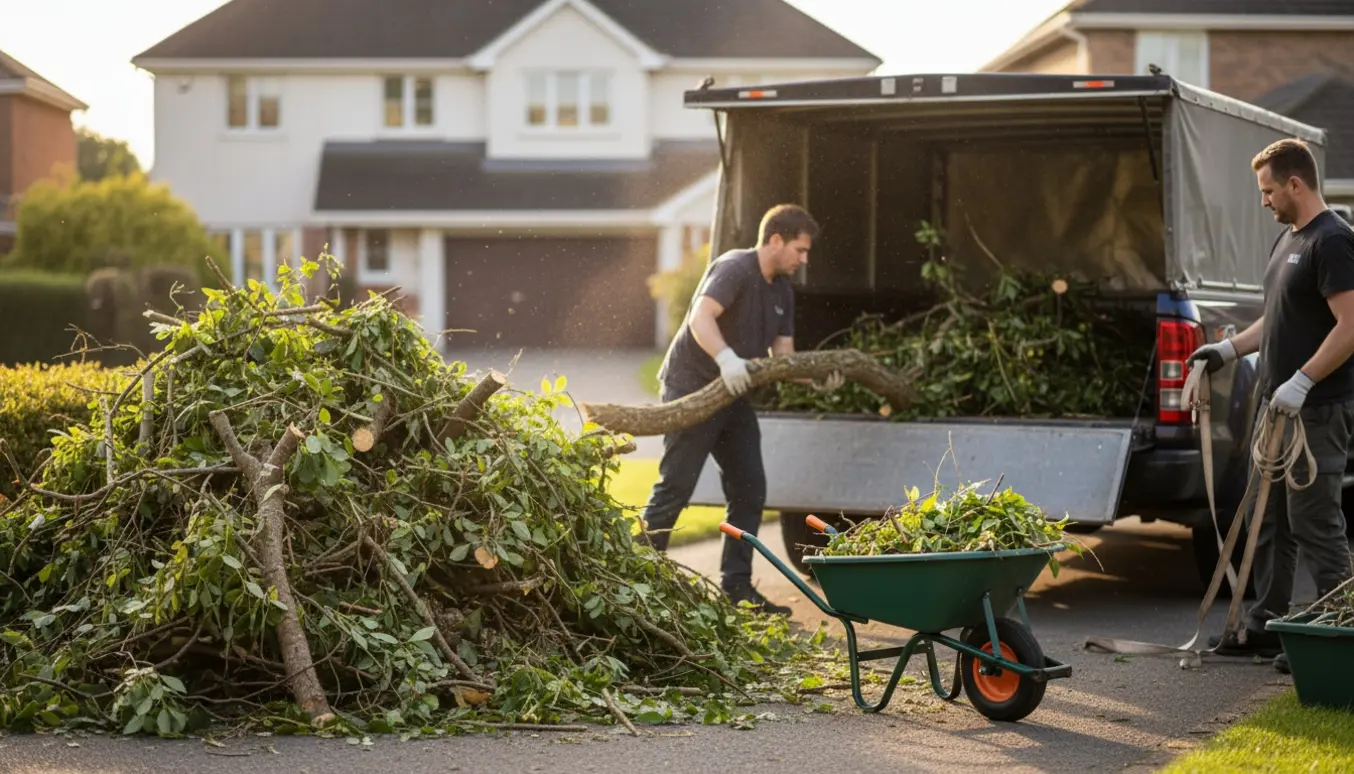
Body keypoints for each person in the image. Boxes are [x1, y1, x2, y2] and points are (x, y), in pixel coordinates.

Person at [1189, 137, 1354, 673]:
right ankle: (1266, 626)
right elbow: (1277, 317)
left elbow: (1351, 327)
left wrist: (1303, 381)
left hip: (1315, 411)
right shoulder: (1289, 239)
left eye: (1268, 190)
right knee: (1267, 521)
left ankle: (1340, 637)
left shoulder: (1333, 242)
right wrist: (1226, 348)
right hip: (1274, 408)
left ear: (1295, 184)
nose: (1264, 200)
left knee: (1315, 524)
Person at [639, 204, 838, 615]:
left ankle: (737, 588)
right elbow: (700, 318)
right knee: (675, 486)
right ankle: (634, 578)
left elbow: (783, 356)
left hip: (734, 396)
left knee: (750, 488)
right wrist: (727, 358)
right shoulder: (735, 268)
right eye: (800, 249)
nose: (804, 259)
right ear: (776, 239)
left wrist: (817, 376)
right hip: (692, 388)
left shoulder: (782, 288)